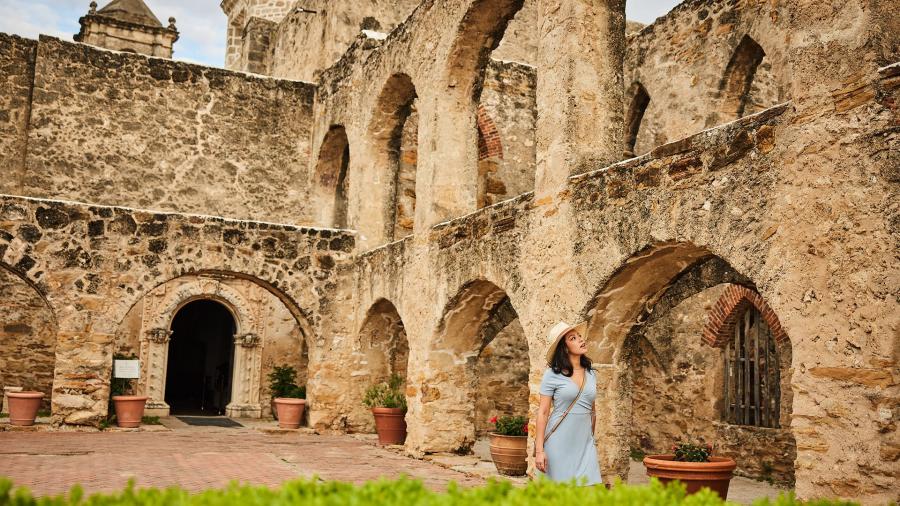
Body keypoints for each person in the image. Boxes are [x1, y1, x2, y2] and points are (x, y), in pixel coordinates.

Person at [534, 321, 603, 486]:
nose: (580, 339)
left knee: (590, 494)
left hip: (585, 444)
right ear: (564, 348)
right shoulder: (552, 375)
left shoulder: (591, 373)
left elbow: (592, 411)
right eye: (573, 338)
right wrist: (539, 451)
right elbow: (543, 413)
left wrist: (591, 438)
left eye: (579, 336)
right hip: (558, 443)